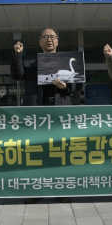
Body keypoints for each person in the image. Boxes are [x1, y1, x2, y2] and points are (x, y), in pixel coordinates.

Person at [11, 28, 83, 204]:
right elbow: (17, 75)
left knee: (61, 150)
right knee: (37, 151)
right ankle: (36, 189)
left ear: (57, 41)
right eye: (45, 37)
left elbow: (79, 86)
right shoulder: (30, 62)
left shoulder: (66, 61)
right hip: (37, 112)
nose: (49, 40)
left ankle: (62, 189)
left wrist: (65, 88)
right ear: (39, 42)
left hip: (60, 112)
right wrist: (17, 55)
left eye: (52, 37)